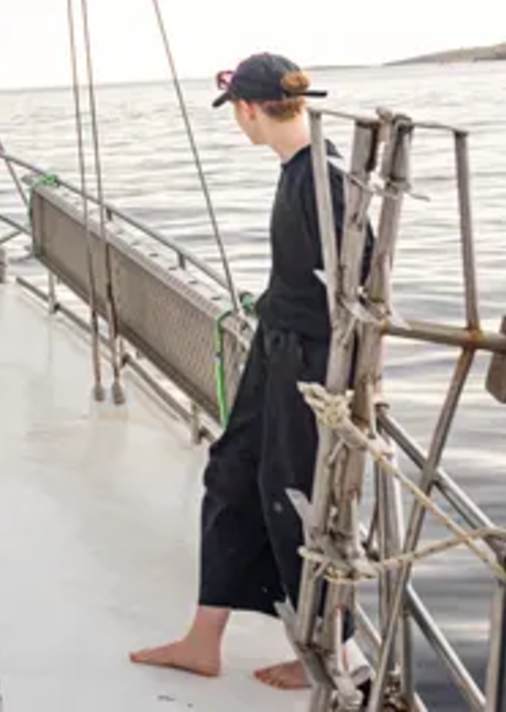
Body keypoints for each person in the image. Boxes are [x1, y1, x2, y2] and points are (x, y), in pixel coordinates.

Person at [131, 52, 357, 691]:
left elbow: (360, 289)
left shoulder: (325, 179)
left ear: (250, 109)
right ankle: (204, 639)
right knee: (231, 471)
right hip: (276, 347)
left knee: (295, 497)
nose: (238, 122)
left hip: (308, 362)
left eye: (237, 111)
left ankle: (330, 655)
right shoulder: (298, 171)